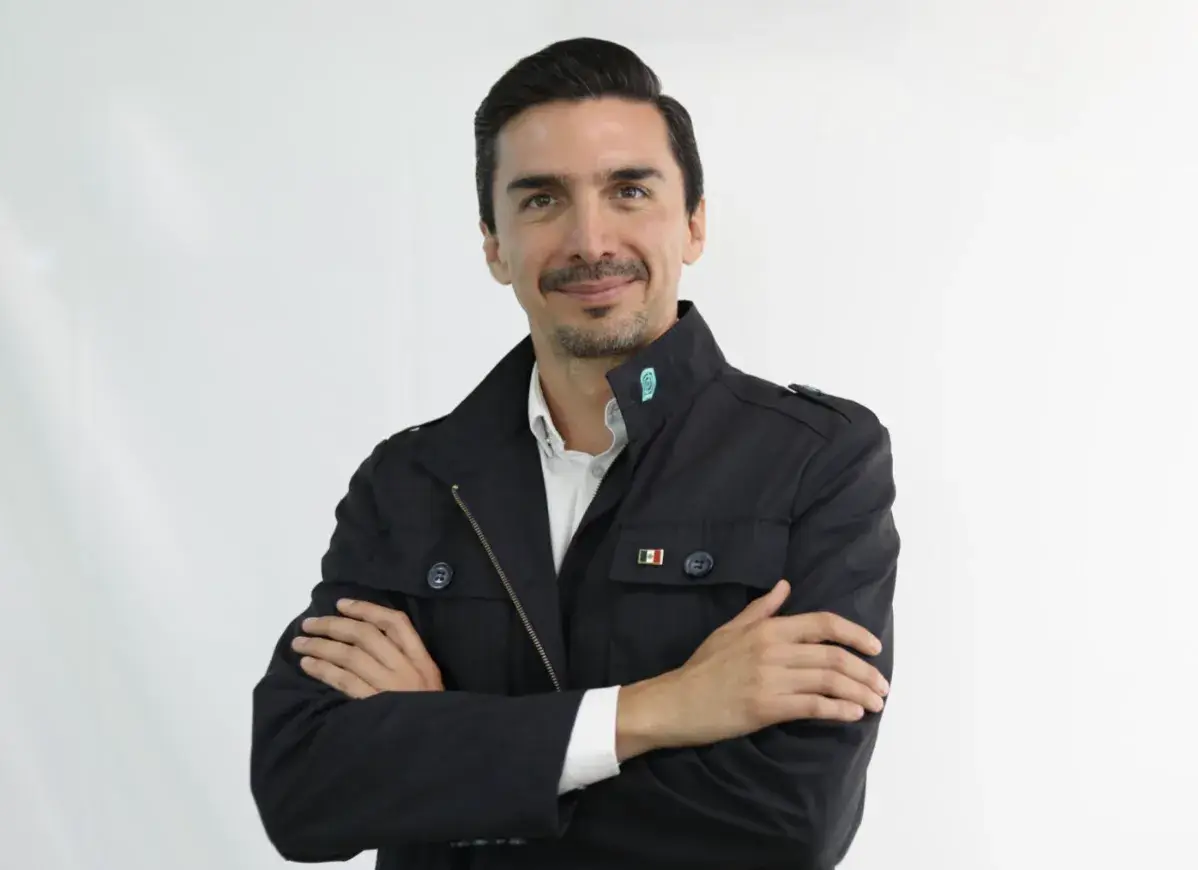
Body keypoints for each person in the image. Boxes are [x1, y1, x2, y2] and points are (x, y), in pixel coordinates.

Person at [249, 36, 899, 870]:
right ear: (494, 244)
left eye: (629, 190)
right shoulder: (409, 482)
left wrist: (445, 748)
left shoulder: (816, 461)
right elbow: (302, 790)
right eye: (542, 199)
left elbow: (789, 825)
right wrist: (661, 710)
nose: (591, 239)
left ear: (694, 223)